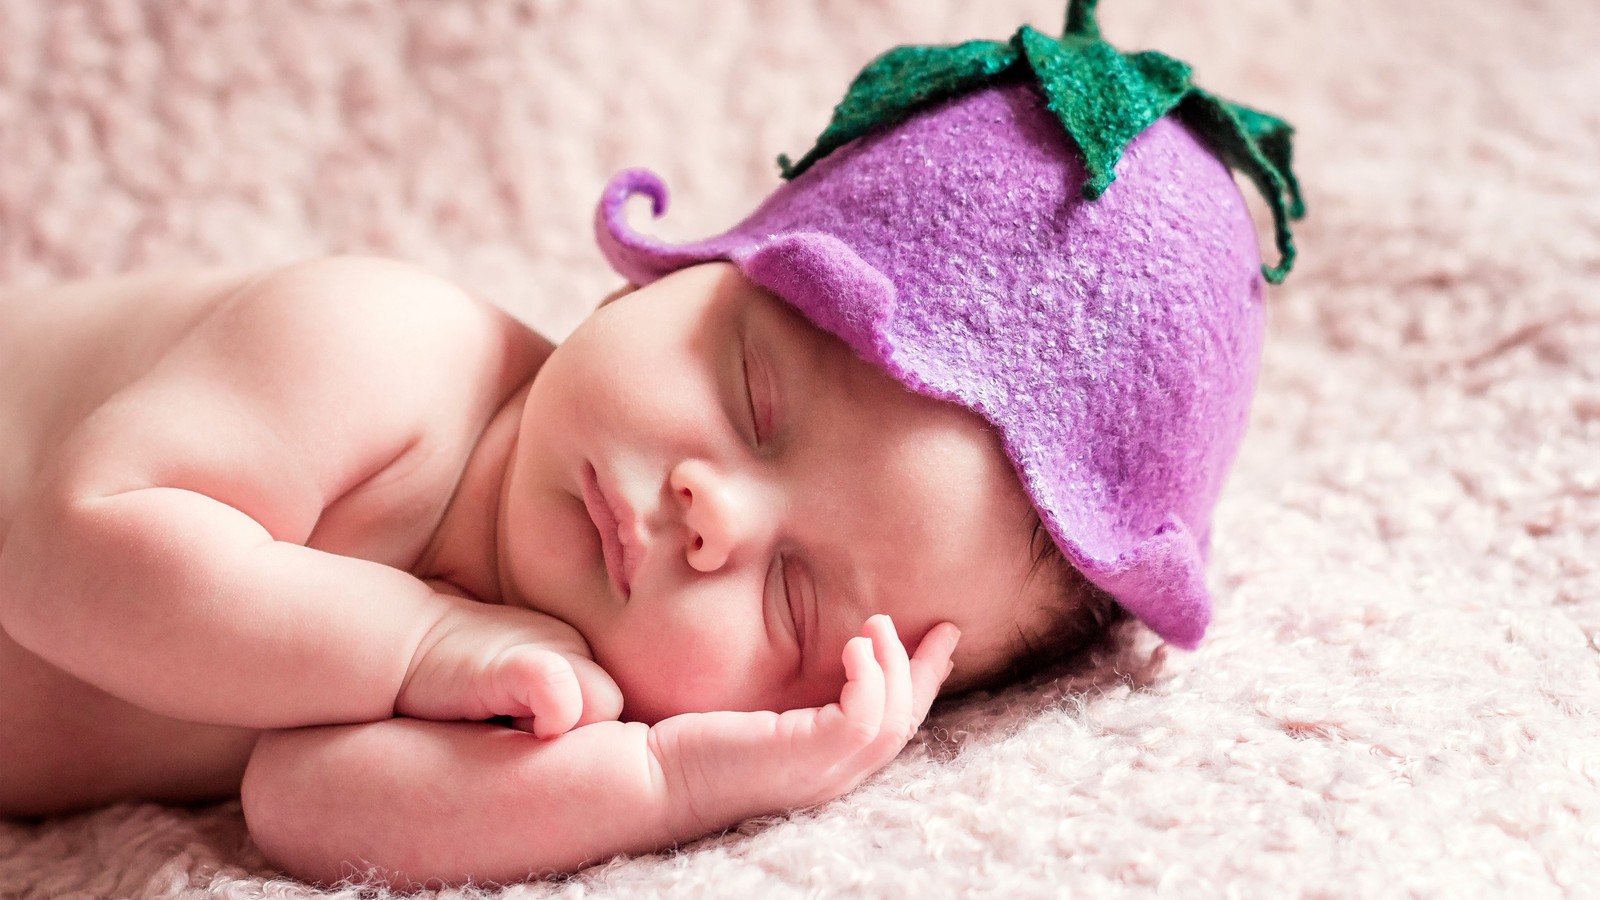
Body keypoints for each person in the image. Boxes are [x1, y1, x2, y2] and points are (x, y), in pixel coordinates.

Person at [0, 1, 1303, 887]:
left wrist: (676, 778)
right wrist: (425, 646)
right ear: (683, 277)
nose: (712, 515)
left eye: (792, 599)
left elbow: (308, 807)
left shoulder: (563, 662)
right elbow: (64, 557)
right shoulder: (378, 347)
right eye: (754, 396)